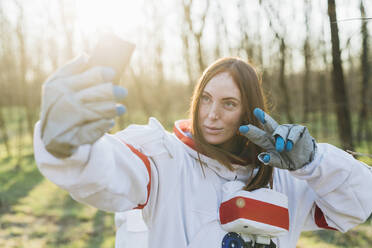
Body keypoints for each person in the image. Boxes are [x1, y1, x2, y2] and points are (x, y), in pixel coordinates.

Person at [33, 55, 372, 248]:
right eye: (206, 99)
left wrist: (314, 162)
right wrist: (65, 142)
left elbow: (356, 205)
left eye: (229, 103)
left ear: (249, 110)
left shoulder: (284, 176)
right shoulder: (164, 158)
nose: (211, 114)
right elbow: (107, 170)